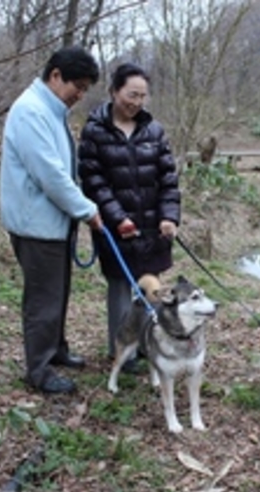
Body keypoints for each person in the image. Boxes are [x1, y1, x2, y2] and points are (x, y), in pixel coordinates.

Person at [0, 46, 103, 394]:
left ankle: (56, 350)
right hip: (36, 226)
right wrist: (88, 211)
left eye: (86, 88)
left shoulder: (50, 110)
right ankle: (39, 370)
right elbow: (51, 175)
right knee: (43, 300)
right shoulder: (31, 111)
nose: (80, 94)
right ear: (55, 75)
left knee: (58, 293)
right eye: (79, 85)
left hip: (53, 224)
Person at [78, 62, 180, 367]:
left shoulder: (154, 130)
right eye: (131, 94)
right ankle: (123, 351)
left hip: (152, 227)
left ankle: (151, 344)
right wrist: (117, 217)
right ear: (114, 91)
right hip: (115, 227)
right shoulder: (94, 130)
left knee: (151, 286)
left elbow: (168, 180)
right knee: (121, 287)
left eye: (142, 96)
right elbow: (93, 181)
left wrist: (169, 217)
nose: (136, 102)